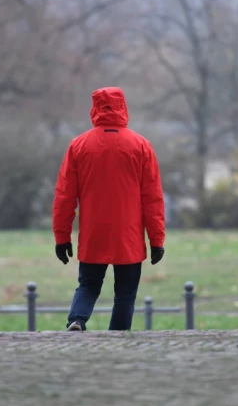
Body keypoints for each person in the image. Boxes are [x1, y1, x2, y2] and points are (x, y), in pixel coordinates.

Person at [52, 86, 166, 332]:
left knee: (88, 285)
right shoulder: (141, 146)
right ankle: (117, 337)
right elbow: (152, 198)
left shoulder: (78, 146)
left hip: (94, 233)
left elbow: (65, 195)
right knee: (125, 294)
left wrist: (62, 237)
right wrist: (157, 240)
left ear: (94, 108)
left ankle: (77, 320)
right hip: (129, 235)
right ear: (123, 107)